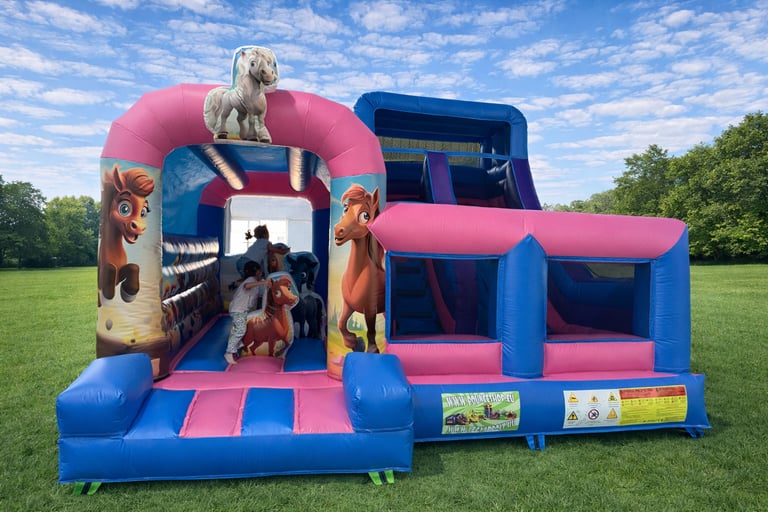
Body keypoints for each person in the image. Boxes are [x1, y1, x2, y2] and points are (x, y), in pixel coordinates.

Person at [225, 260, 267, 365]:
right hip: (238, 310)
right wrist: (264, 282)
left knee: (242, 329)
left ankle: (237, 347)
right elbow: (247, 286)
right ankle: (229, 352)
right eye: (260, 272)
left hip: (241, 310)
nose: (261, 274)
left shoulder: (255, 282)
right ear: (257, 272)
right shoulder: (251, 280)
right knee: (240, 330)